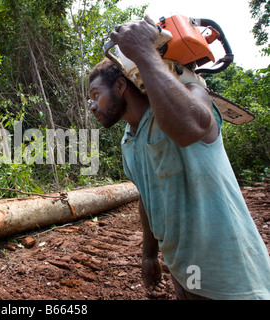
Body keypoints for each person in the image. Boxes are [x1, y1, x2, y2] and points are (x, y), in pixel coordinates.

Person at [88, 16, 270, 300]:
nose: (92, 106)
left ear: (122, 85)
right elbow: (147, 197)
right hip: (185, 270)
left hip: (231, 277)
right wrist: (149, 254)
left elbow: (191, 127)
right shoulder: (128, 140)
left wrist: (144, 51)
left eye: (96, 95)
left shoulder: (190, 95)